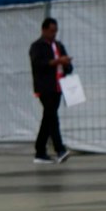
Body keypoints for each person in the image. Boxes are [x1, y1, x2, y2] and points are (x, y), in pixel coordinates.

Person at [27, 19, 73, 164]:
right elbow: (38, 64)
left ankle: (40, 150)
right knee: (52, 117)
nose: (54, 34)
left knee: (48, 117)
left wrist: (66, 64)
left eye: (55, 31)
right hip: (45, 87)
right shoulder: (37, 46)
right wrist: (57, 61)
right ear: (44, 30)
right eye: (51, 31)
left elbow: (68, 67)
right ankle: (60, 149)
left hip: (58, 86)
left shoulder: (59, 46)